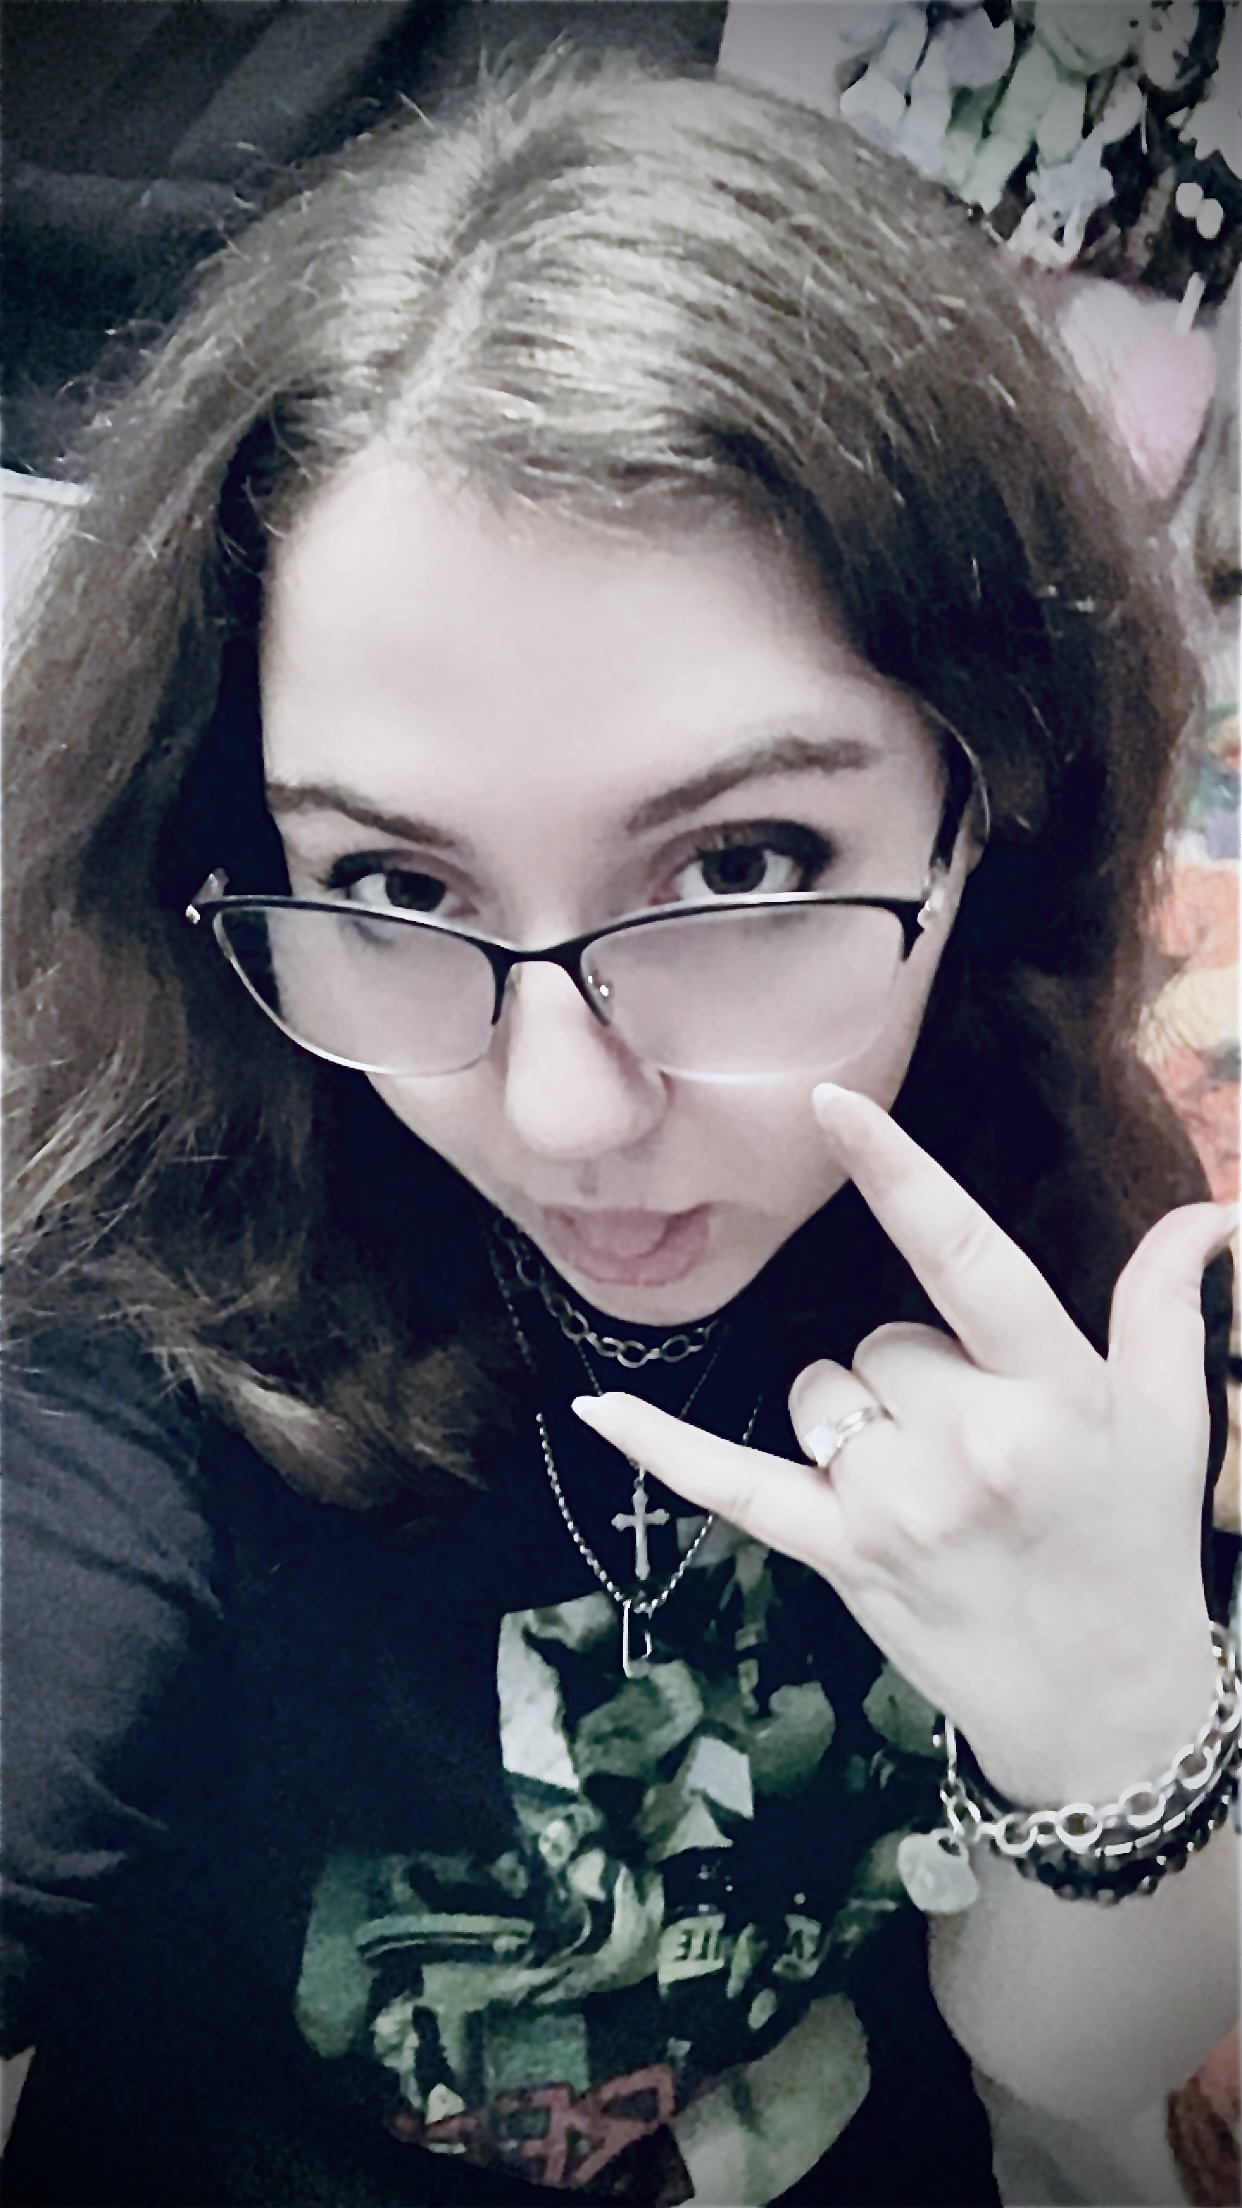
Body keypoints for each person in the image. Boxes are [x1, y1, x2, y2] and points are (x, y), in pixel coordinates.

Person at [2, 48, 1237, 2208]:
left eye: (742, 867)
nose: (565, 1111)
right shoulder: (137, 1335)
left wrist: (1118, 1727)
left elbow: (1070, 2065)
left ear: (986, 800)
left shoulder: (1052, 1209)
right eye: (395, 886)